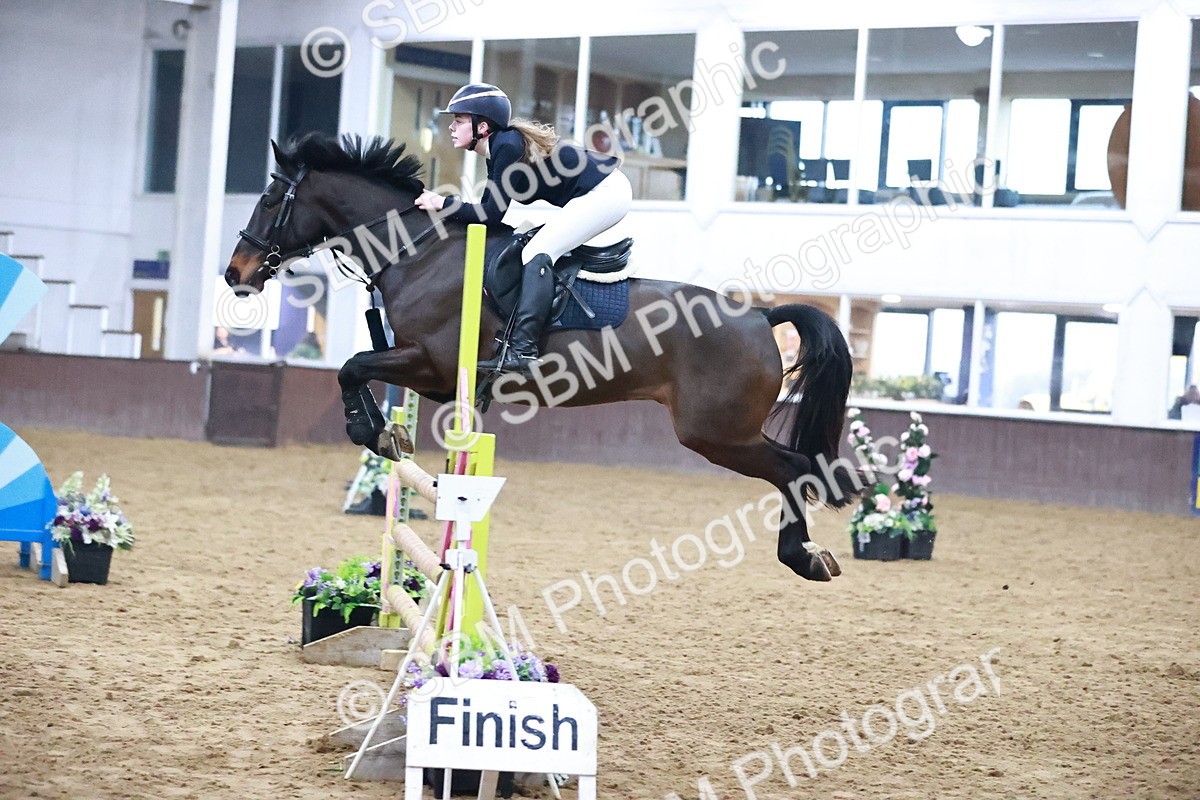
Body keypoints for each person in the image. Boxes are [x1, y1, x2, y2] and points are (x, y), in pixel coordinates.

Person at [414, 83, 633, 374]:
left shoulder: (507, 146)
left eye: (459, 120)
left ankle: (524, 350)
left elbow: (489, 215)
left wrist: (442, 202)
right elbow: (487, 213)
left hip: (606, 193)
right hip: (600, 191)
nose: (452, 127)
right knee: (531, 244)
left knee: (537, 251)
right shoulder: (500, 147)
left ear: (482, 125)